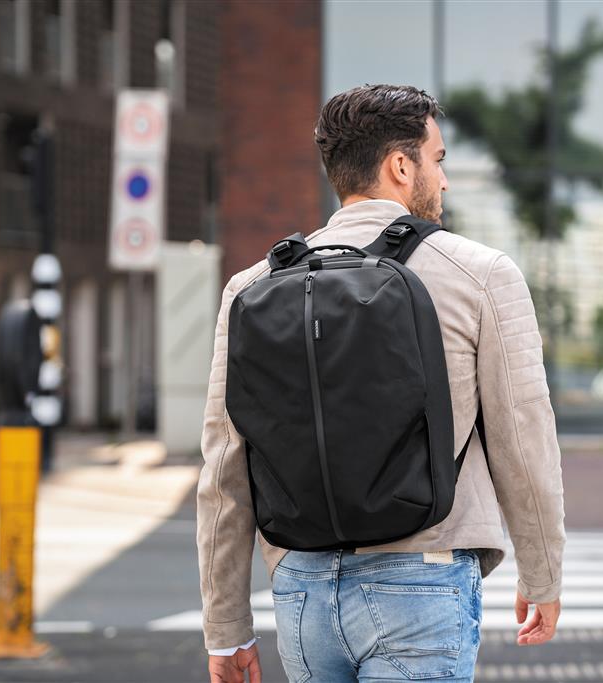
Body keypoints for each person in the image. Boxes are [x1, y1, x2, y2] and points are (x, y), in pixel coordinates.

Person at [199, 84, 566, 683]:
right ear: (401, 165)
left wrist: (226, 627)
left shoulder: (252, 287)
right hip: (423, 578)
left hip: (302, 587)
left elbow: (223, 471)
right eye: (438, 160)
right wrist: (542, 574)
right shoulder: (480, 275)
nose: (443, 181)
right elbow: (523, 443)